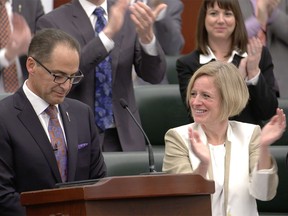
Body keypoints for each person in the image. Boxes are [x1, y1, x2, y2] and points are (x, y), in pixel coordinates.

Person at [0, 28, 107, 215]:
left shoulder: (82, 114)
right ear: (31, 65)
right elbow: (4, 196)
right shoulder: (4, 117)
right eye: (58, 76)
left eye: (72, 77)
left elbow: (98, 182)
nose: (66, 86)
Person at [36, 0, 167, 152]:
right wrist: (107, 34)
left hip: (125, 137)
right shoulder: (52, 22)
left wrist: (147, 39)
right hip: (76, 136)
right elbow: (58, 79)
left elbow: (154, 76)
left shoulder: (130, 16)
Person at [163, 61, 285, 216]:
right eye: (193, 94)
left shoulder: (250, 133)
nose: (195, 102)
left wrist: (263, 147)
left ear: (228, 99)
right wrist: (203, 164)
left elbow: (264, 193)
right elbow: (183, 198)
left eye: (206, 95)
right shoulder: (178, 137)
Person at [177, 0, 279, 127]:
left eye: (227, 14)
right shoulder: (187, 64)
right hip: (207, 141)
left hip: (249, 142)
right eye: (214, 13)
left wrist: (253, 73)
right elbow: (197, 115)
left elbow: (267, 112)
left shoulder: (258, 54)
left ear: (237, 19)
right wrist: (237, 80)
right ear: (204, 19)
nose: (220, 20)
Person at [239, 0, 288, 98]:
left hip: (282, 85)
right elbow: (224, 37)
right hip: (241, 81)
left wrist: (273, 14)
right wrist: (258, 19)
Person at [133, 0, 185, 85]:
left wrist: (159, 12)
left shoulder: (170, 4)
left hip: (149, 86)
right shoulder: (107, 3)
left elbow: (173, 49)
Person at [0, 0, 45, 93]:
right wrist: (6, 56)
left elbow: (46, 43)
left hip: (27, 92)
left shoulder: (32, 3)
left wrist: (31, 45)